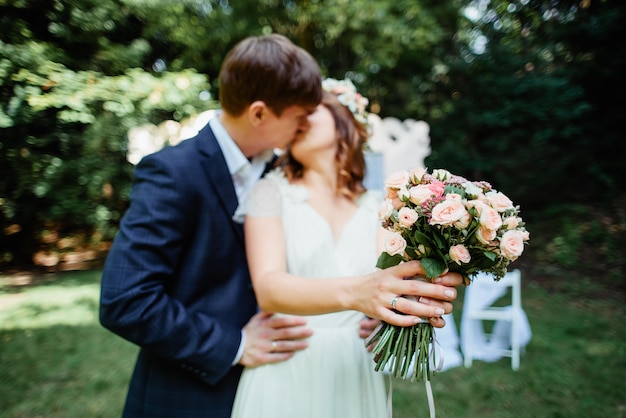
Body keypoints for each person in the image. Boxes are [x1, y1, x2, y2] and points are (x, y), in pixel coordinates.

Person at [100, 34, 460, 418]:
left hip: (314, 372)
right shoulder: (174, 172)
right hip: (192, 393)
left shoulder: (278, 171)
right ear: (259, 114)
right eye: (300, 115)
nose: (305, 121)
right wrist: (233, 345)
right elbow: (126, 300)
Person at [231, 82, 463, 418]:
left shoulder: (381, 207)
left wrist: (400, 307)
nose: (299, 118)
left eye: (312, 109)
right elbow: (268, 289)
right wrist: (362, 293)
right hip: (288, 363)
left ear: (345, 121)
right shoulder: (268, 192)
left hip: (356, 366)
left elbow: (392, 284)